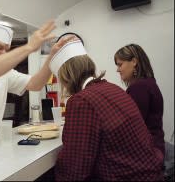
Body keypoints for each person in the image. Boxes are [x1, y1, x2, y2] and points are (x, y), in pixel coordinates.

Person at [49, 36, 164, 181]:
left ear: (66, 76)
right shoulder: (112, 87)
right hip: (151, 173)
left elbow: (75, 168)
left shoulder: (81, 100)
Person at [114, 44, 165, 158]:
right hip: (155, 145)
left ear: (134, 61)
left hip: (149, 151)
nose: (117, 70)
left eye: (120, 64)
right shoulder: (148, 82)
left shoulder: (139, 87)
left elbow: (131, 127)